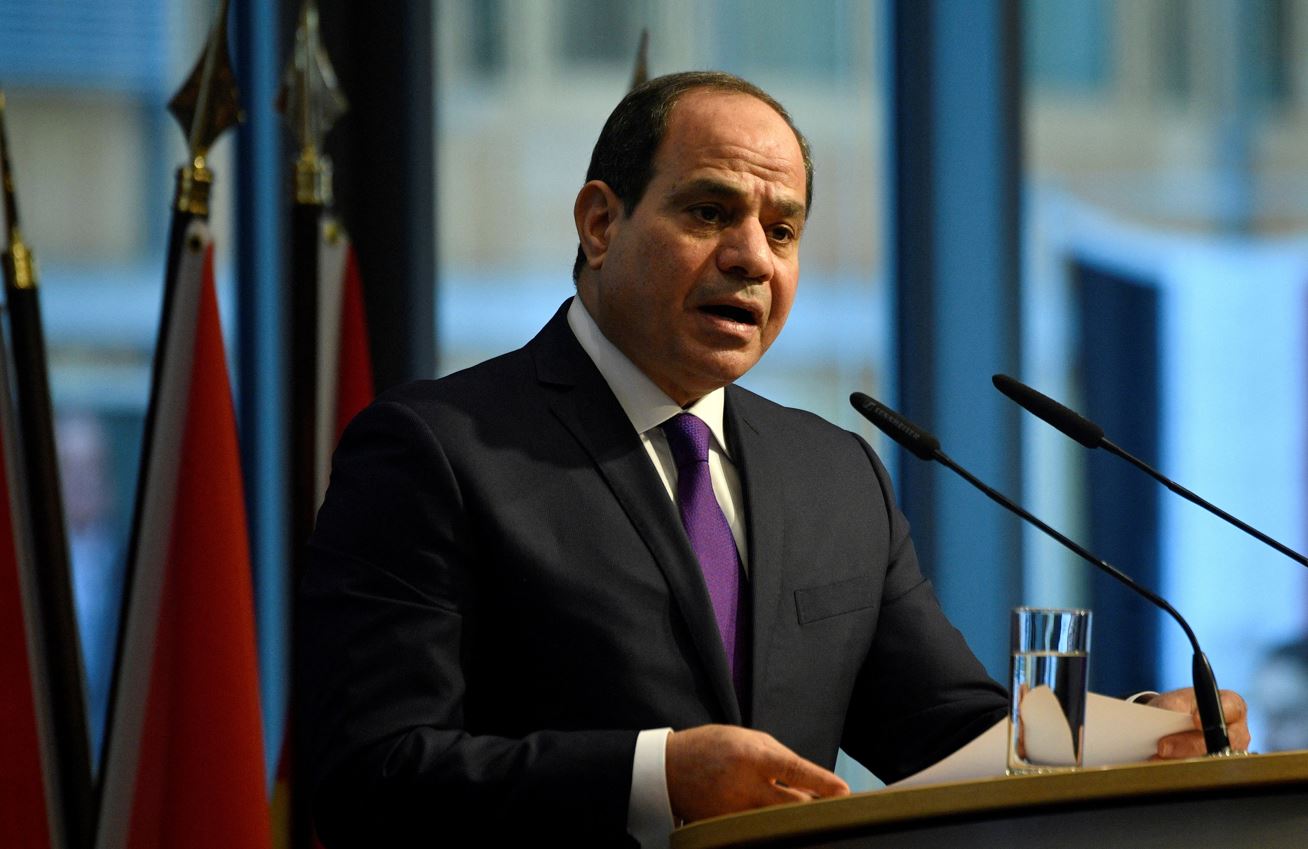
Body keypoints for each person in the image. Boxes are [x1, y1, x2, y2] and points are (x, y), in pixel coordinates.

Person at [297, 71, 1250, 847]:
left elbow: (949, 734)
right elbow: (369, 774)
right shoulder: (438, 449)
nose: (754, 257)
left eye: (783, 229)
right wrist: (658, 776)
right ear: (599, 223)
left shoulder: (832, 473)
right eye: (711, 212)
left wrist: (1145, 735)